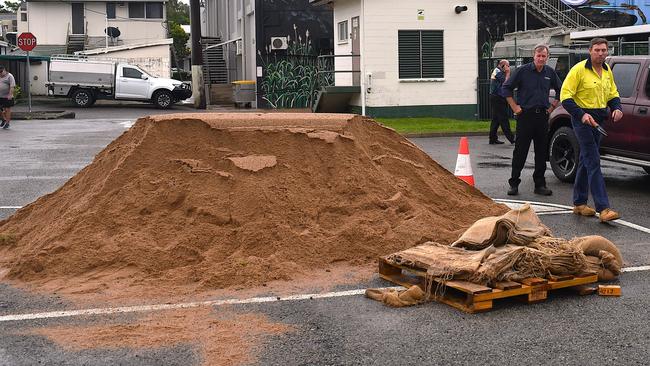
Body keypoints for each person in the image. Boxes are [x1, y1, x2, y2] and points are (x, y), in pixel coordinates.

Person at [560, 38, 623, 222]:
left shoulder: (607, 70)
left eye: (604, 50)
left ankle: (579, 203)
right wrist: (581, 115)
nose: (601, 53)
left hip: (599, 119)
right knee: (593, 160)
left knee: (584, 160)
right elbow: (566, 96)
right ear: (590, 51)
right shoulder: (579, 69)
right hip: (582, 119)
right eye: (597, 50)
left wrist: (617, 108)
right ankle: (603, 208)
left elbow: (612, 93)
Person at [502, 44, 562, 196]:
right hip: (525, 116)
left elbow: (562, 90)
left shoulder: (550, 72)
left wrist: (552, 107)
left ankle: (540, 185)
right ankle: (514, 183)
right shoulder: (522, 71)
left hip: (542, 116)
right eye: (538, 56)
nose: (541, 58)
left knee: (541, 152)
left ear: (547, 57)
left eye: (544, 56)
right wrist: (515, 107)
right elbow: (506, 88)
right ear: (533, 56)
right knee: (520, 151)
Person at [488, 60, 516, 145]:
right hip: (497, 98)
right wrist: (508, 73)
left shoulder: (499, 71)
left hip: (498, 97)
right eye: (507, 66)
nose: (508, 68)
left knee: (496, 119)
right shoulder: (497, 72)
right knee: (503, 118)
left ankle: (492, 138)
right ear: (502, 65)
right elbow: (505, 83)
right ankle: (511, 138)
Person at [0, 65, 15, 130]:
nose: (0, 73)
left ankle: (7, 123)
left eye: (1, 72)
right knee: (1, 110)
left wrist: (10, 94)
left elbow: (12, 86)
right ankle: (3, 119)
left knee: (7, 109)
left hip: (7, 96)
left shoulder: (10, 76)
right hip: (0, 95)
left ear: (4, 70)